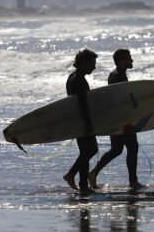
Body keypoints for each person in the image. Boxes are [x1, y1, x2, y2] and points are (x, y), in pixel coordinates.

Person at [88, 49, 145, 190]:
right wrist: (125, 122)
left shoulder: (119, 75)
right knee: (131, 147)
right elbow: (117, 101)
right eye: (129, 58)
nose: (131, 60)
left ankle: (93, 173)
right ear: (121, 60)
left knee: (117, 149)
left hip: (118, 118)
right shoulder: (117, 76)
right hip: (120, 118)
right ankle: (133, 181)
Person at [63, 48, 98, 196]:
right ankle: (81, 184)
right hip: (80, 121)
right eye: (92, 63)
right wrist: (88, 123)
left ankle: (73, 176)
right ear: (84, 63)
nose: (94, 67)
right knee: (88, 150)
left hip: (77, 120)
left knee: (88, 150)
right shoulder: (78, 80)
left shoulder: (74, 77)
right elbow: (82, 104)